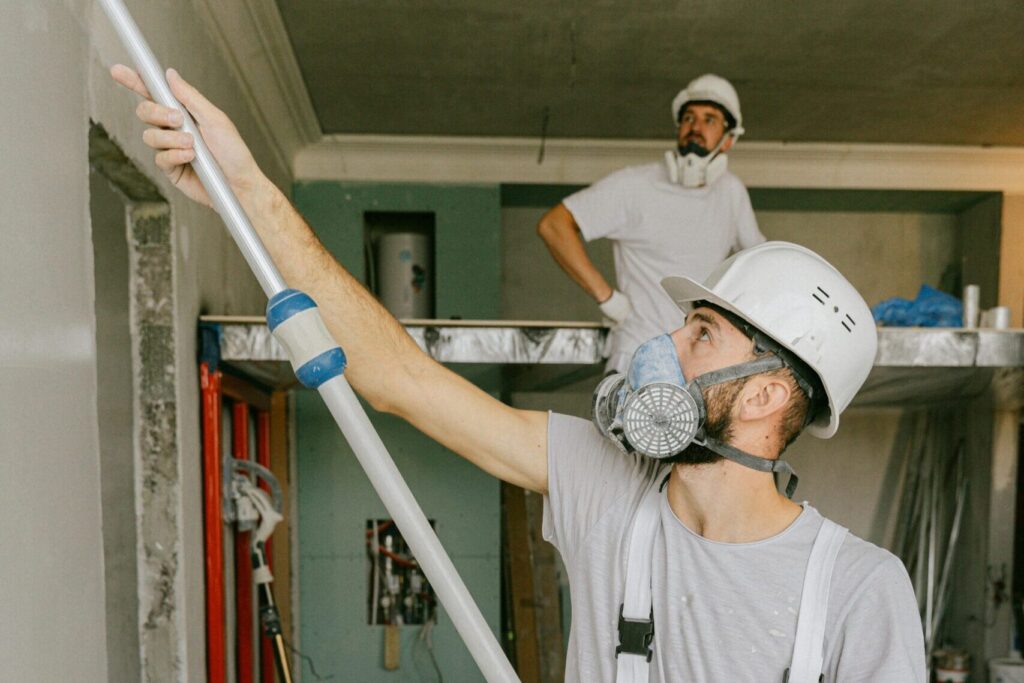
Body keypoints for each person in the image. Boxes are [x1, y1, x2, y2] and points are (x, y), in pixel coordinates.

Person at [111, 65, 926, 682]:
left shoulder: (858, 589)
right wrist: (249, 192)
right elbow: (403, 377)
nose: (666, 344)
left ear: (765, 393)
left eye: (701, 332)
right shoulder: (603, 484)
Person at [538, 74, 766, 374]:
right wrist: (607, 298)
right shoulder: (635, 185)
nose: (695, 127)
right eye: (688, 118)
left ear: (729, 139)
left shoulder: (731, 192)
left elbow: (760, 262)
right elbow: (555, 225)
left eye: (709, 119)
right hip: (637, 353)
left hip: (699, 366)